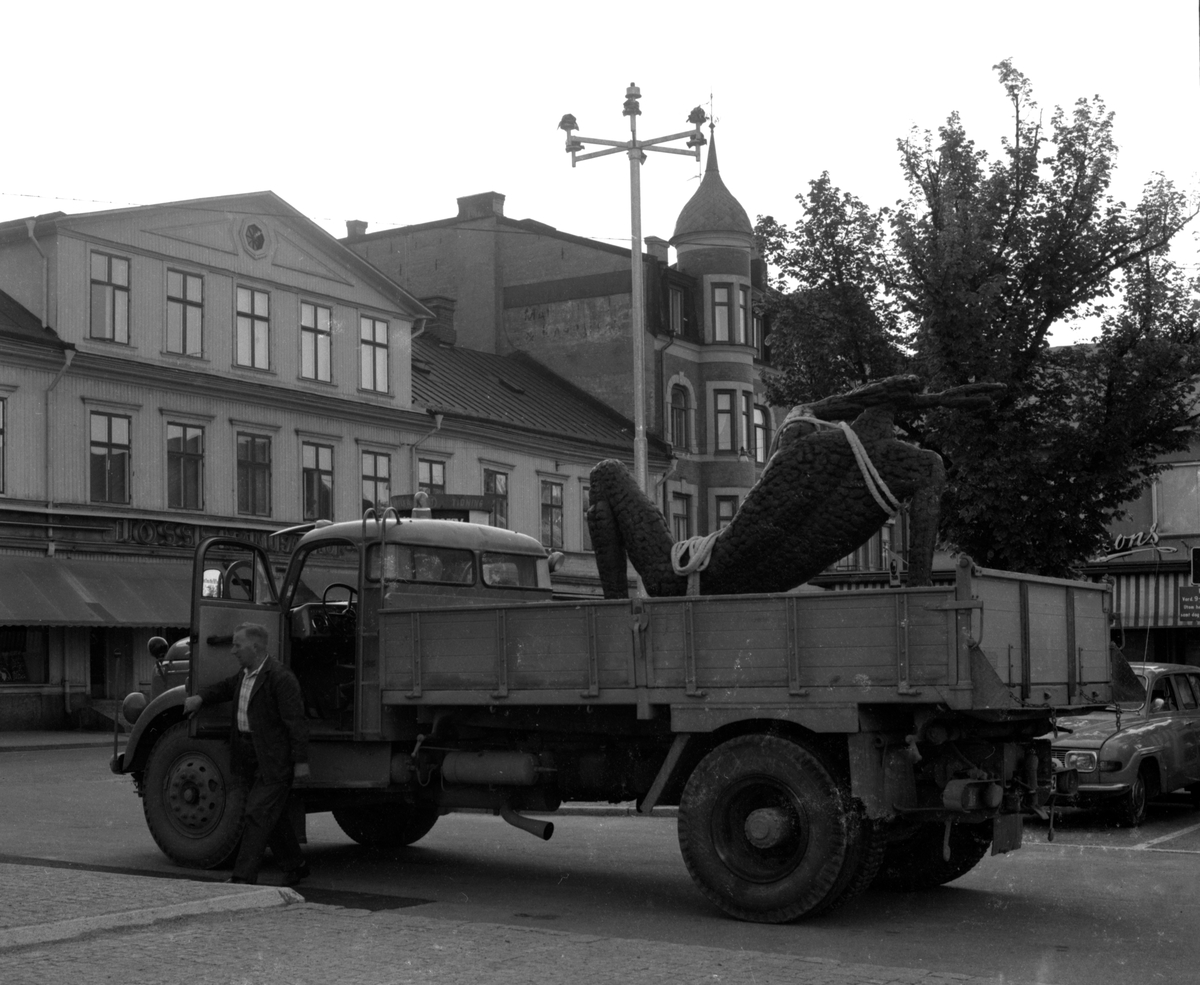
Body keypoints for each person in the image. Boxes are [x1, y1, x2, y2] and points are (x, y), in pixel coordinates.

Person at [183, 622, 310, 885]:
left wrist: (300, 762)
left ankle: (242, 878)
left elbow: (296, 723)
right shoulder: (244, 674)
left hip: (273, 760)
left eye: (237, 645)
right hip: (248, 755)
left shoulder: (280, 678)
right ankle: (296, 866)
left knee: (256, 812)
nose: (232, 651)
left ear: (254, 647)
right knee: (271, 815)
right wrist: (201, 698)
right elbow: (225, 688)